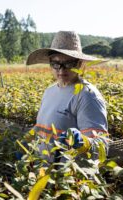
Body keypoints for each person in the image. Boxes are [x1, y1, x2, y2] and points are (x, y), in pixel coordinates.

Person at [25, 31, 109, 163]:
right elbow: (42, 127)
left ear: (80, 64)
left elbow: (101, 146)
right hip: (45, 174)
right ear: (50, 64)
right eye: (56, 64)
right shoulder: (49, 91)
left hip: (70, 178)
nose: (61, 70)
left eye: (69, 63)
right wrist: (27, 140)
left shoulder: (87, 95)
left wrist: (84, 142)